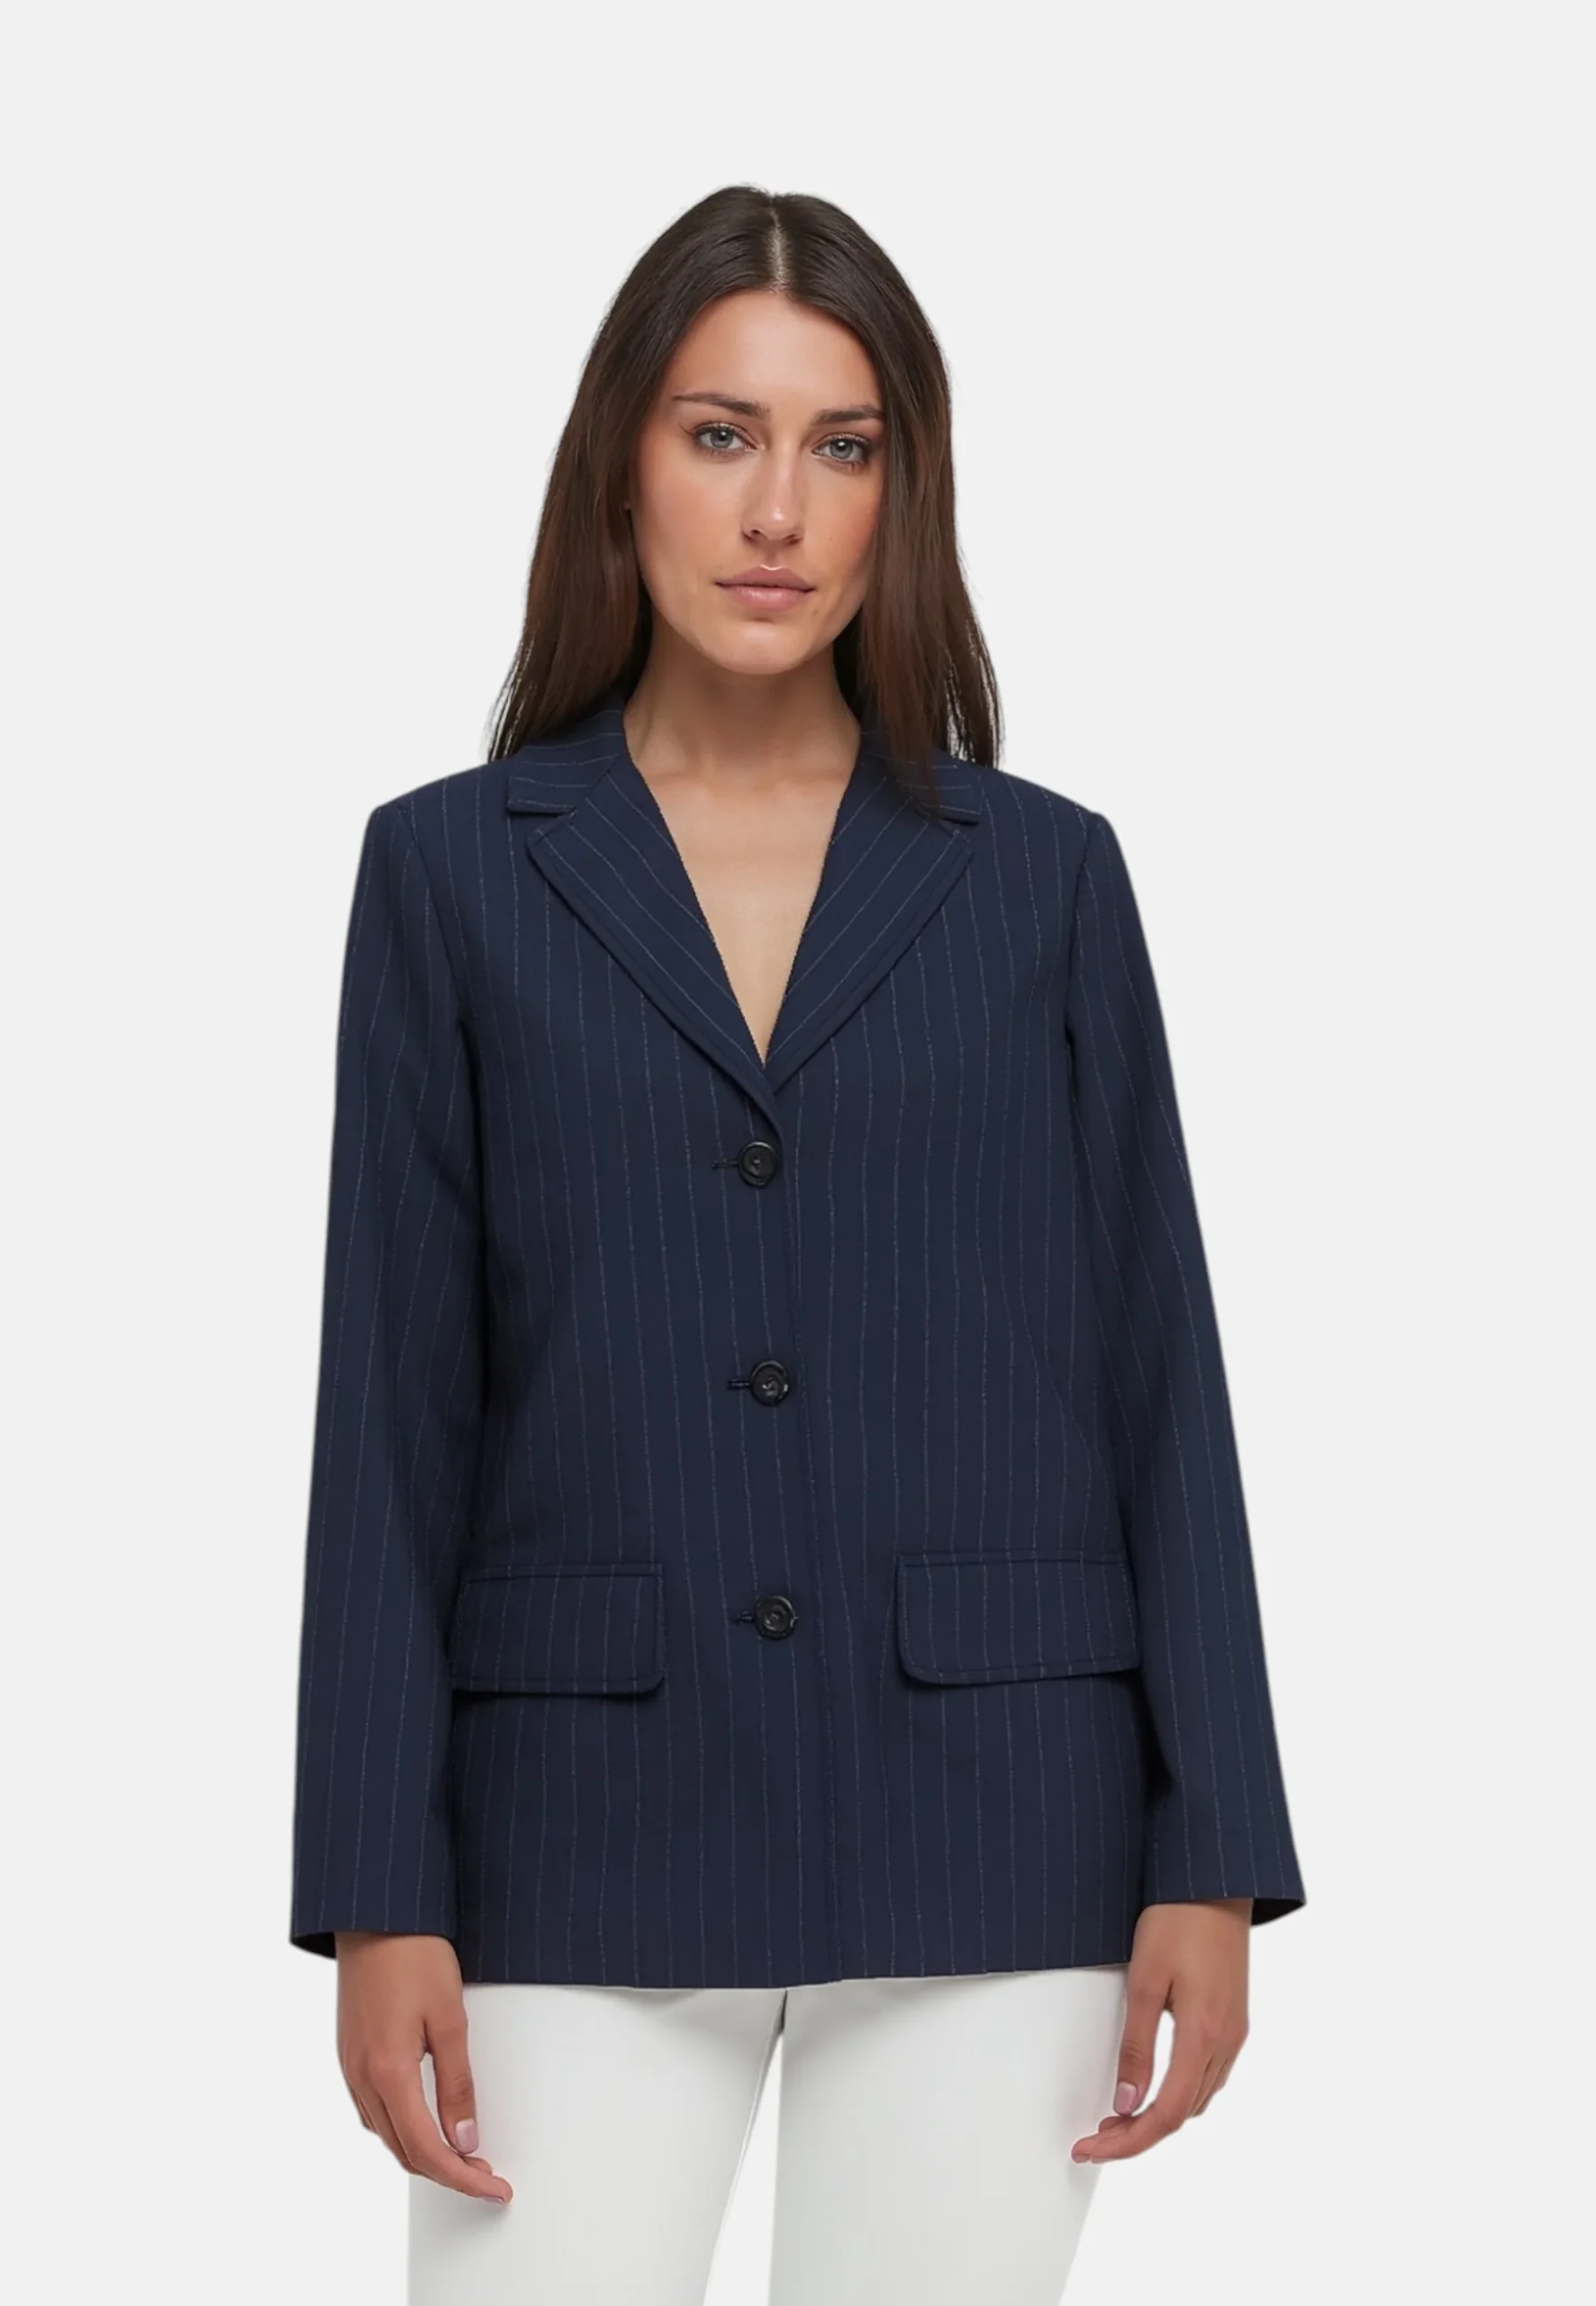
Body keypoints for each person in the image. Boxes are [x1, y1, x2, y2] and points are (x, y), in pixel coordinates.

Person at [288, 183, 1307, 2305]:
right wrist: (378, 1887)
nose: (777, 509)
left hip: (997, 1807)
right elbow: (388, 1406)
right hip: (573, 1822)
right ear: (621, 467)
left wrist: (1212, 1847)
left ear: (899, 496)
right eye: (718, 434)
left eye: (842, 446)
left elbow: (1159, 1365)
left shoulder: (1041, 879)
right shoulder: (451, 876)